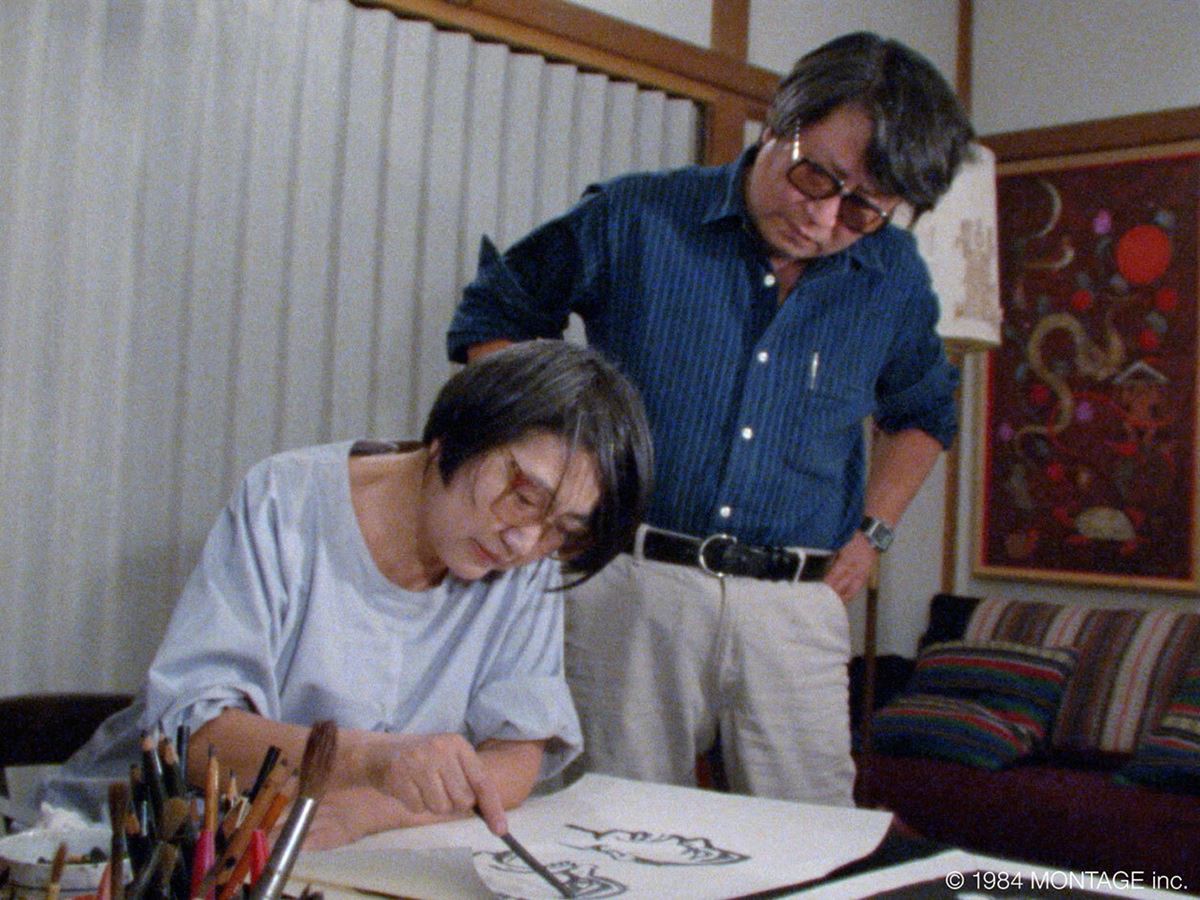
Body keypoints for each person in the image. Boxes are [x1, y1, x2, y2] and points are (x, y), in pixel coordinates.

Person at [447, 32, 974, 807]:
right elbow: (494, 316)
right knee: (612, 825)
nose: (824, 218)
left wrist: (876, 532)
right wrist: (551, 478)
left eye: (863, 209)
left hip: (796, 604)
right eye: (816, 178)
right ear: (781, 120)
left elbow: (924, 413)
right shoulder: (639, 215)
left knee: (813, 841)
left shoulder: (893, 275)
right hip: (631, 584)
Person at [39, 340, 653, 848]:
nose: (524, 539)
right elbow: (197, 739)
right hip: (144, 840)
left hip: (340, 852)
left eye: (564, 529)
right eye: (522, 496)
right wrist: (377, 762)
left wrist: (374, 810)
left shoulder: (529, 562)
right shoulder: (287, 501)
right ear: (456, 434)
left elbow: (516, 754)